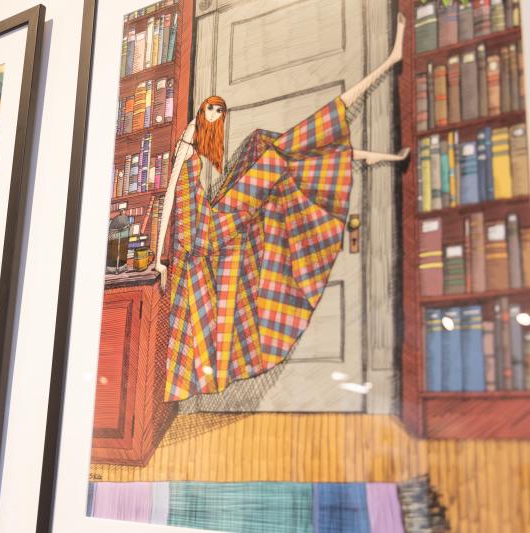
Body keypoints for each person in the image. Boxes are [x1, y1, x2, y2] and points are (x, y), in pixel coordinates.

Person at [154, 14, 408, 402]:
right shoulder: (190, 137)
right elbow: (172, 195)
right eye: (213, 111)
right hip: (207, 230)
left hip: (214, 225)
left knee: (276, 148)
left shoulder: (207, 142)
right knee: (281, 151)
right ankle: (385, 75)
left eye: (220, 113)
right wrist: (159, 259)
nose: (216, 118)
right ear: (203, 112)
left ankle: (375, 135)